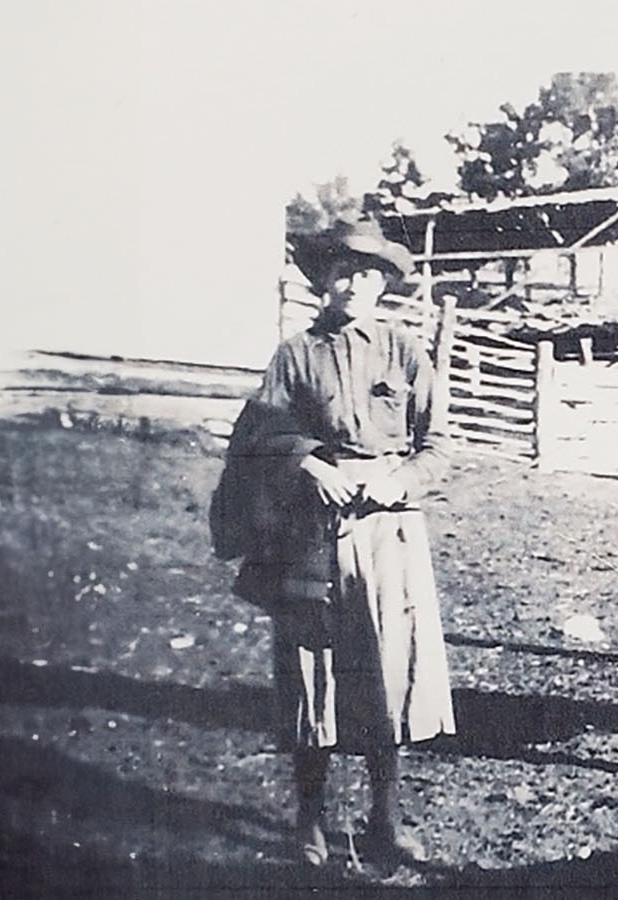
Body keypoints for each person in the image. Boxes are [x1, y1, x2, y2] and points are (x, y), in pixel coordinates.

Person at [210, 218, 455, 868]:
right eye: (342, 270)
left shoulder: (404, 351)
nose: (353, 283)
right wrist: (311, 464)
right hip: (309, 535)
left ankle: (385, 818)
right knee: (310, 677)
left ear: (382, 284)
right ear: (324, 280)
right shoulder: (296, 354)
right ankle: (309, 823)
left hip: (388, 536)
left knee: (386, 676)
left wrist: (396, 478)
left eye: (367, 272)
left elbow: (438, 449)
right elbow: (257, 434)